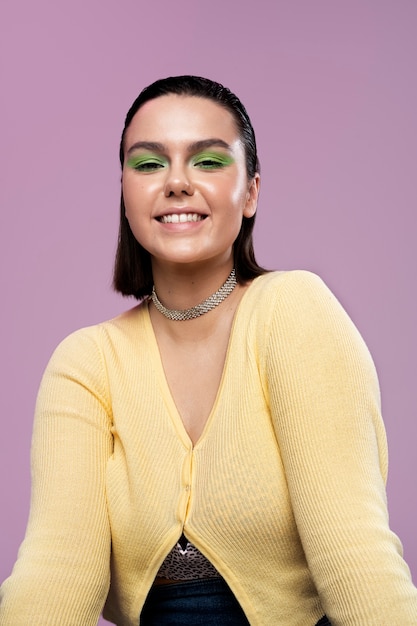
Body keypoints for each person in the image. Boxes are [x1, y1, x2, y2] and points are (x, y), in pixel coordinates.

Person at [0, 75, 416, 626]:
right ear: (125, 193)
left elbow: (356, 561)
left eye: (209, 162)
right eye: (148, 164)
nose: (176, 183)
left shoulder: (293, 311)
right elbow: (56, 573)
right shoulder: (86, 363)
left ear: (251, 193)